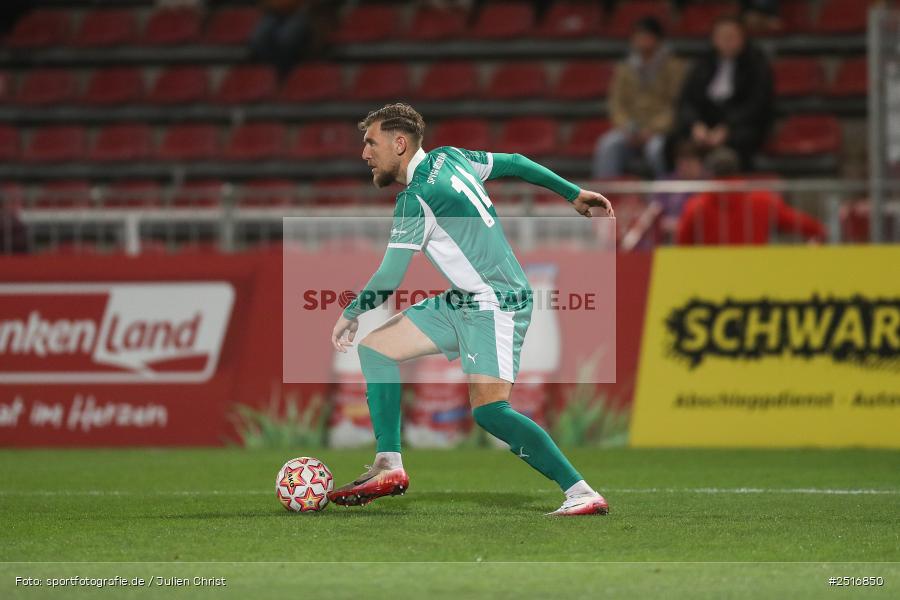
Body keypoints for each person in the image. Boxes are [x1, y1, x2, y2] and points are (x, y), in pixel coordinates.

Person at [328, 103, 614, 516]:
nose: (364, 153)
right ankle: (388, 463)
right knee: (376, 350)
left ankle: (581, 492)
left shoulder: (416, 198)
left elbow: (390, 276)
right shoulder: (452, 157)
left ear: (400, 143)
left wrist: (351, 311)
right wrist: (572, 192)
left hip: (495, 301)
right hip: (463, 299)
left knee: (490, 411)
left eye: (371, 143)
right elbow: (516, 162)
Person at [673, 16, 774, 170]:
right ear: (714, 39)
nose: (727, 41)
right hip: (705, 125)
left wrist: (727, 129)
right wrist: (695, 124)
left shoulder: (757, 64)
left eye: (731, 36)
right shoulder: (703, 63)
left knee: (743, 139)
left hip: (740, 126)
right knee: (672, 140)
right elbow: (687, 100)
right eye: (722, 36)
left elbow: (757, 105)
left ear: (743, 38)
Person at [593, 17, 685, 179]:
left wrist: (654, 128)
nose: (642, 41)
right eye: (638, 37)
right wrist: (627, 127)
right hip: (630, 130)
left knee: (656, 149)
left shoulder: (673, 67)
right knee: (608, 145)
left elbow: (676, 104)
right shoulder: (625, 68)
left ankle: (662, 192)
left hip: (660, 131)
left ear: (657, 39)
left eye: (646, 36)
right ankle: (604, 193)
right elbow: (616, 103)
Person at [676, 147, 825, 245]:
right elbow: (813, 228)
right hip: (755, 275)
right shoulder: (764, 200)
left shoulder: (696, 206)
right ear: (737, 170)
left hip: (710, 276)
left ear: (710, 173)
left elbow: (682, 245)